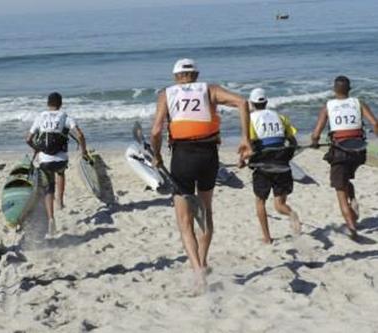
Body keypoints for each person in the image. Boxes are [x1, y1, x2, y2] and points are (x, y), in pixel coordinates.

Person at [150, 58, 251, 291]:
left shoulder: (167, 93)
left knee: (184, 220)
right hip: (208, 156)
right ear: (196, 75)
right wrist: (246, 139)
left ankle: (197, 270)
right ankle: (203, 262)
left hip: (182, 157)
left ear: (176, 76)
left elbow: (156, 130)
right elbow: (242, 102)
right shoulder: (210, 89)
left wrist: (156, 156)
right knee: (205, 212)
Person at [311, 76, 378, 239]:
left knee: (340, 190)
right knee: (345, 179)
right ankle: (353, 199)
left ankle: (351, 226)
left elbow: (316, 132)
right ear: (350, 89)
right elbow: (375, 124)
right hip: (359, 151)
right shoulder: (358, 103)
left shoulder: (328, 106)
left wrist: (314, 142)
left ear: (334, 90)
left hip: (340, 151)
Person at [240, 88, 301, 244]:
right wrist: (288, 155)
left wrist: (241, 160)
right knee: (279, 205)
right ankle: (292, 214)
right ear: (266, 102)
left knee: (260, 201)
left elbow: (248, 146)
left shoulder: (250, 119)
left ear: (251, 104)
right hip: (282, 164)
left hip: (263, 166)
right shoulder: (280, 117)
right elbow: (293, 142)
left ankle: (267, 238)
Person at [26, 92, 87, 237]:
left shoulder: (40, 117)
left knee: (48, 188)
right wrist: (83, 151)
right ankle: (60, 200)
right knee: (60, 172)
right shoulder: (65, 116)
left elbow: (28, 138)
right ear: (60, 104)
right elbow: (80, 135)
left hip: (45, 160)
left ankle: (51, 217)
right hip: (61, 159)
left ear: (48, 104)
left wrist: (36, 148)